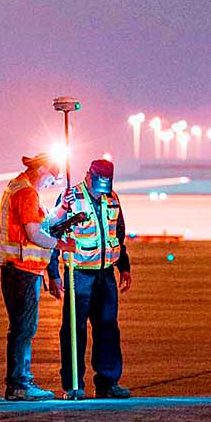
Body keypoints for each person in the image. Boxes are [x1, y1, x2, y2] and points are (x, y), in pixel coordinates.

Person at [0, 153, 75, 401]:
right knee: (24, 328)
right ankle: (19, 384)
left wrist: (61, 210)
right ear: (41, 171)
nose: (50, 185)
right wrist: (61, 245)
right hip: (22, 270)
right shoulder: (26, 193)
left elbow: (42, 221)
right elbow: (35, 233)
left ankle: (19, 381)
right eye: (51, 179)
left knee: (20, 328)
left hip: (19, 269)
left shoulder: (19, 187)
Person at [48, 158, 132, 400]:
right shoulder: (71, 198)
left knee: (108, 328)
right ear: (88, 175)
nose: (100, 190)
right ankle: (73, 384)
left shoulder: (112, 198)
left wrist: (123, 267)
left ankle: (107, 381)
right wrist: (53, 273)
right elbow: (55, 235)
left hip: (105, 273)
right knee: (74, 330)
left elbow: (119, 234)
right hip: (79, 273)